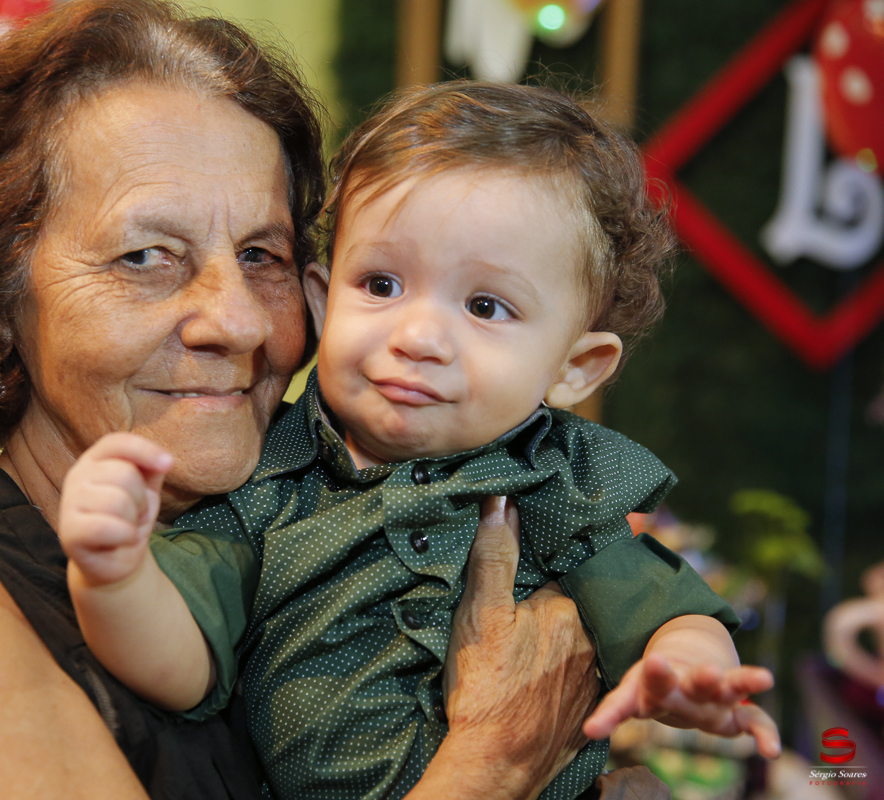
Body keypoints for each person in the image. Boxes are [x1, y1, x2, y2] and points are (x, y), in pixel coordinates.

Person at [0, 5, 606, 799]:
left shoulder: (312, 558)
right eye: (146, 255)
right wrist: (495, 762)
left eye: (262, 254)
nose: (241, 321)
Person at [60, 82, 783, 800]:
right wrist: (114, 574)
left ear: (573, 367)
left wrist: (689, 668)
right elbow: (182, 663)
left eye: (485, 305)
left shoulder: (556, 484)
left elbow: (667, 607)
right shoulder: (269, 478)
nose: (418, 338)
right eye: (380, 284)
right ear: (321, 299)